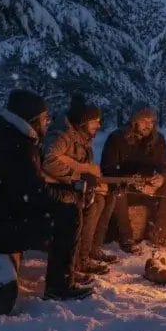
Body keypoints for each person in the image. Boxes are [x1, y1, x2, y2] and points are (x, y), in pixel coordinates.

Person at [0, 89, 92, 300]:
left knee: (63, 208)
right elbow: (35, 195)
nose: (47, 123)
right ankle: (60, 285)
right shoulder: (17, 146)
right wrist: (70, 196)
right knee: (69, 214)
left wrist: (63, 193)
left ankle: (67, 274)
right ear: (32, 120)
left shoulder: (9, 139)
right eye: (44, 119)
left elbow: (27, 189)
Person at [43, 94, 118, 279]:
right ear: (83, 122)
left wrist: (90, 180)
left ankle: (91, 249)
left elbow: (82, 166)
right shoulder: (62, 135)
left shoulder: (81, 136)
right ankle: (79, 259)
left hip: (71, 185)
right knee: (93, 203)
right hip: (55, 188)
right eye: (95, 122)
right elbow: (49, 160)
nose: (98, 126)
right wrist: (77, 177)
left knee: (105, 197)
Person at [101, 105, 166, 253]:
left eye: (151, 121)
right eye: (144, 121)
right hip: (126, 188)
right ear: (134, 121)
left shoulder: (157, 140)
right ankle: (127, 239)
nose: (148, 125)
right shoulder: (117, 138)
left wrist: (161, 179)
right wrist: (131, 181)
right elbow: (107, 169)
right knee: (118, 190)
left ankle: (159, 235)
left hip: (149, 188)